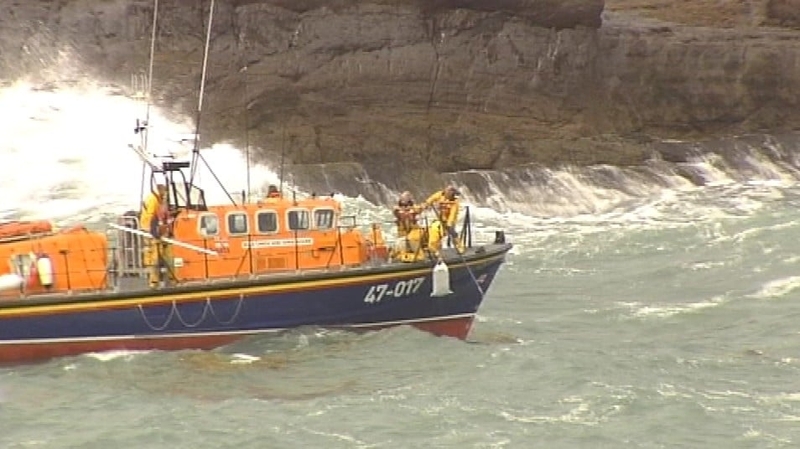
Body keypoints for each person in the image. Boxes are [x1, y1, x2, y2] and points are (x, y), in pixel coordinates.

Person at [140, 183, 175, 288]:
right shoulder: (154, 200)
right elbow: (152, 217)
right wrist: (155, 233)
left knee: (168, 256)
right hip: (151, 231)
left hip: (159, 233)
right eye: (165, 193)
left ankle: (170, 278)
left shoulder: (158, 200)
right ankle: (154, 282)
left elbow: (163, 217)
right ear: (161, 191)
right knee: (154, 257)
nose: (165, 196)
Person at [422, 185, 463, 255]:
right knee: (434, 229)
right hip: (440, 218)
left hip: (450, 220)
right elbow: (432, 198)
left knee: (451, 231)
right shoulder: (440, 194)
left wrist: (449, 223)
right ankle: (433, 247)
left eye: (448, 191)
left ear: (451, 193)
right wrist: (426, 204)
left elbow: (453, 214)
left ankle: (459, 246)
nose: (445, 192)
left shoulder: (455, 202)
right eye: (446, 190)